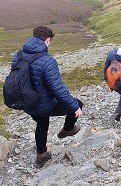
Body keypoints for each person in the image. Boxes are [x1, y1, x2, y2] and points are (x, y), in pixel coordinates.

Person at [11, 26, 83, 167]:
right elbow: (58, 89)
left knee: (42, 123)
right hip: (44, 105)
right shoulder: (47, 61)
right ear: (48, 40)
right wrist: (74, 107)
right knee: (78, 103)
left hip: (26, 103)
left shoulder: (18, 55)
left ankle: (41, 155)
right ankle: (68, 129)